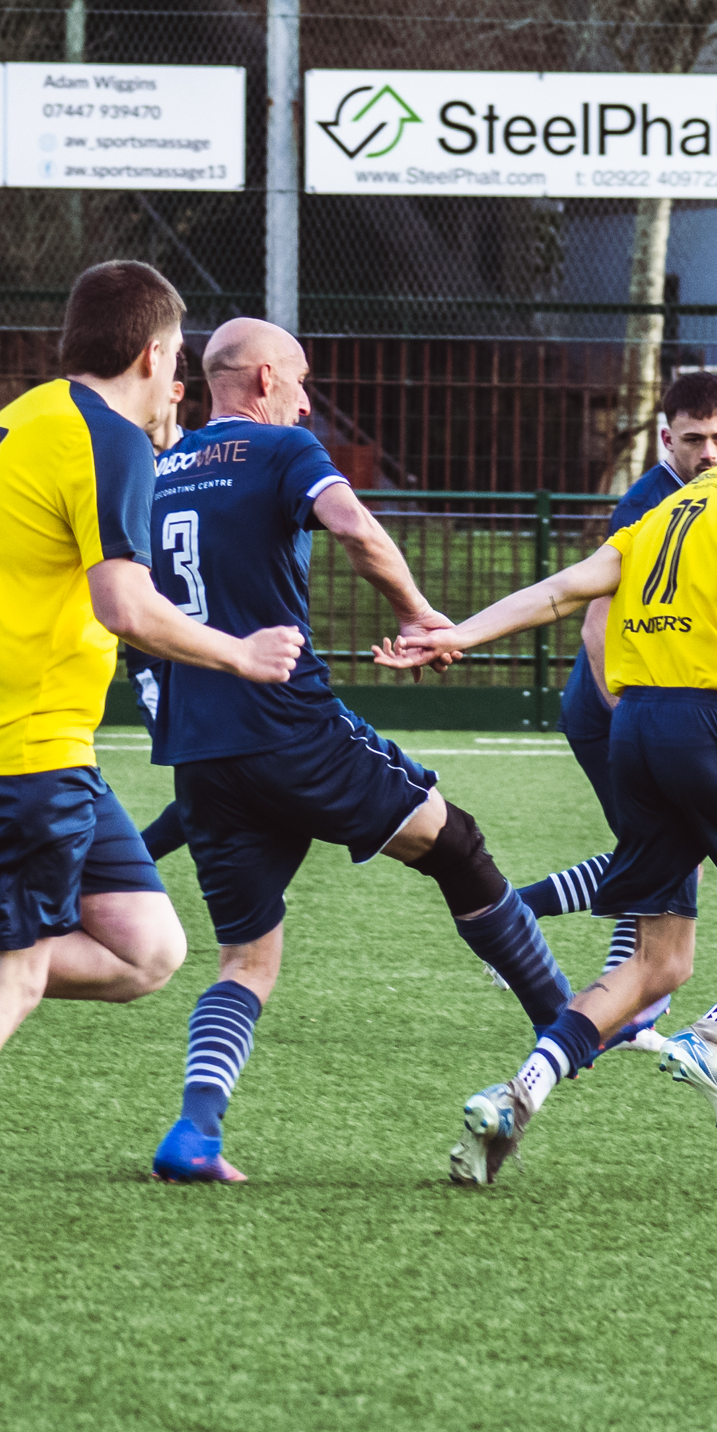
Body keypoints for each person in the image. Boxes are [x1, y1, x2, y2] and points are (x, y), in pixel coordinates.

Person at [0, 263, 302, 1249]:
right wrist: (240, 653)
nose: (178, 382)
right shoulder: (110, 441)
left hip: (34, 746)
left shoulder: (25, 416)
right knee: (11, 976)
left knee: (147, 952)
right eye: (177, 361)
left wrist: (2, 628)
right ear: (154, 353)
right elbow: (124, 606)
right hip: (17, 752)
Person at [377, 349, 717, 1186]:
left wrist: (456, 632)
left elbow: (570, 589)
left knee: (656, 963)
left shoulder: (690, 496)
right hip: (706, 724)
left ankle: (515, 1094)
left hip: (635, 731)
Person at [126, 318, 579, 1184]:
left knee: (247, 960)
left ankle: (195, 1131)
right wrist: (417, 610)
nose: (306, 398)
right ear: (262, 379)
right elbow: (358, 528)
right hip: (290, 727)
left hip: (200, 748)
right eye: (299, 380)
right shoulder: (284, 451)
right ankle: (568, 1025)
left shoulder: (155, 471)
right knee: (459, 845)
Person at [508, 373, 717, 1029]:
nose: (709, 452)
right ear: (665, 438)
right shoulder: (647, 503)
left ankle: (528, 920)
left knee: (662, 857)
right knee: (666, 860)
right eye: (693, 439)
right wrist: (632, 720)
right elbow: (595, 625)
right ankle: (623, 993)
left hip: (655, 707)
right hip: (613, 712)